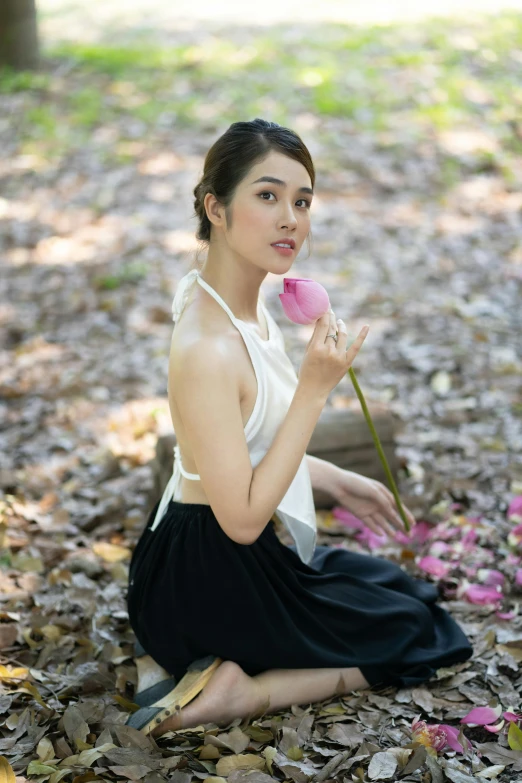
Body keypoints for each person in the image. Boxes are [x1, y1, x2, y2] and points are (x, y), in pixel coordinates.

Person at [126, 118, 473, 738]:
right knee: (417, 631)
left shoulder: (240, 299)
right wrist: (315, 390)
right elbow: (242, 518)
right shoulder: (207, 344)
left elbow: (244, 445)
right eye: (267, 195)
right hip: (206, 576)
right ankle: (243, 691)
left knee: (393, 586)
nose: (291, 218)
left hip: (222, 553)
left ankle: (182, 661)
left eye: (302, 200)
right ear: (217, 208)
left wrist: (337, 478)